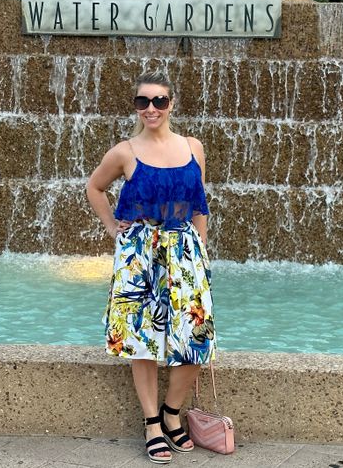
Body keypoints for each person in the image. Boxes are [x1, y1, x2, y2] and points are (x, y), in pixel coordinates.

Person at [86, 70, 216, 464]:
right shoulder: (124, 151)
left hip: (184, 249)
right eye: (143, 102)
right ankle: (152, 423)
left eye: (159, 101)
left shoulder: (193, 147)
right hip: (139, 253)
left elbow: (199, 203)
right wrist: (113, 228)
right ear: (136, 107)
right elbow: (95, 187)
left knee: (197, 335)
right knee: (141, 338)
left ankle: (172, 413)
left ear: (171, 103)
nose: (151, 109)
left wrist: (202, 249)